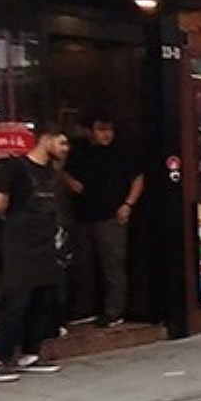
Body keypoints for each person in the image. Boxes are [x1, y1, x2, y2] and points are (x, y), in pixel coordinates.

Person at [0, 125, 70, 383]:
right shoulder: (15, 168)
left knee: (43, 298)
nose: (66, 149)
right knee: (17, 301)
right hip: (20, 244)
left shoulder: (51, 173)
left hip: (45, 242)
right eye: (62, 142)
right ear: (45, 139)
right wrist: (16, 223)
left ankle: (30, 353)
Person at [61, 114, 143, 328]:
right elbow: (63, 172)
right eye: (100, 129)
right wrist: (71, 183)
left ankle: (114, 311)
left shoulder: (122, 153)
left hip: (111, 216)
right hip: (83, 216)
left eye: (109, 130)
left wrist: (128, 204)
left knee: (113, 265)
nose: (106, 134)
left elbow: (138, 178)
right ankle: (85, 309)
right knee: (83, 266)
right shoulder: (80, 152)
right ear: (91, 131)